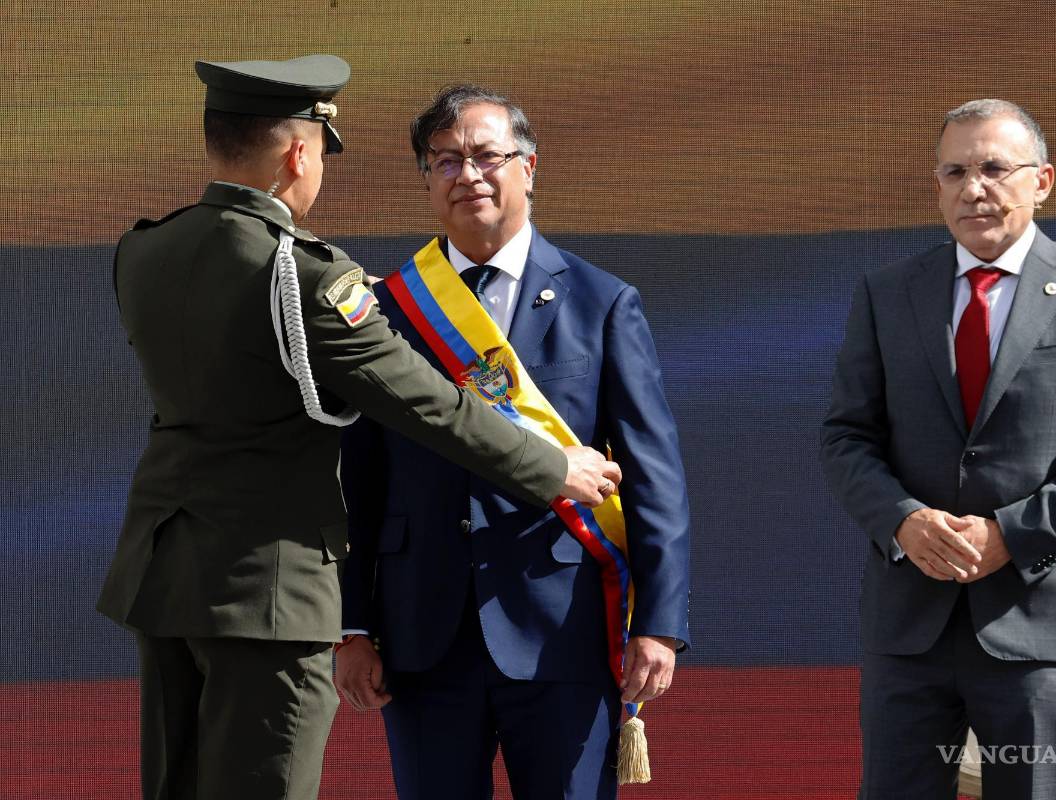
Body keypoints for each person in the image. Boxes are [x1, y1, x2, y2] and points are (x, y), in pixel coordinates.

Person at [96, 57, 620, 800]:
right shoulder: (306, 278)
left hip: (165, 575)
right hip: (270, 590)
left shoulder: (142, 251)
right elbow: (430, 406)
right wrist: (552, 468)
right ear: (297, 153)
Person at [334, 84, 691, 800]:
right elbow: (359, 482)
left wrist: (658, 623)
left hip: (562, 629)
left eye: (486, 155)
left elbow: (655, 476)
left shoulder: (600, 302)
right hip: (422, 635)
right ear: (426, 182)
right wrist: (352, 624)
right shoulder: (390, 312)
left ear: (529, 166)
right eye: (444, 162)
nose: (467, 175)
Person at [820, 99, 1056, 800]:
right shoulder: (887, 294)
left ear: (1043, 181)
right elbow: (847, 434)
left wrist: (1011, 533)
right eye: (955, 170)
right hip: (910, 625)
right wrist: (903, 521)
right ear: (936, 185)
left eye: (995, 168)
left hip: (1043, 624)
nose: (974, 188)